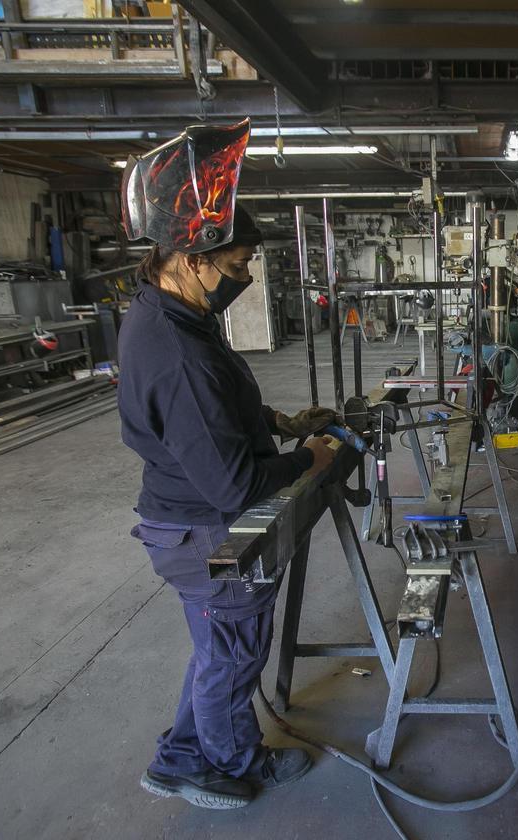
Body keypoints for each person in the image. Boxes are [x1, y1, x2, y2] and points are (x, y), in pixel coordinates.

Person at [117, 120, 338, 809]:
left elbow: (212, 413)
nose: (241, 279)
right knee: (235, 654)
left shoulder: (168, 315)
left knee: (217, 651)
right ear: (191, 259)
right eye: (236, 267)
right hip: (204, 532)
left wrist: (277, 421)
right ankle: (228, 762)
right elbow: (235, 483)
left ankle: (179, 755)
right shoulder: (176, 351)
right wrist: (311, 455)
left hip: (182, 519)